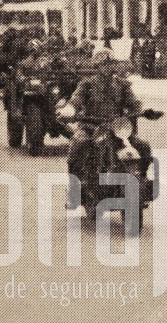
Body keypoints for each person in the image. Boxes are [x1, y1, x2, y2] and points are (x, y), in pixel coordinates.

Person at [59, 47, 147, 207]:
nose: (108, 67)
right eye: (104, 64)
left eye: (110, 63)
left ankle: (141, 181)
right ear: (97, 66)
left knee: (143, 146)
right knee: (78, 145)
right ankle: (74, 189)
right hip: (91, 126)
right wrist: (69, 110)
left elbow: (133, 102)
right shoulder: (87, 84)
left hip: (117, 128)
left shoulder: (121, 85)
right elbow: (75, 100)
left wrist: (142, 110)